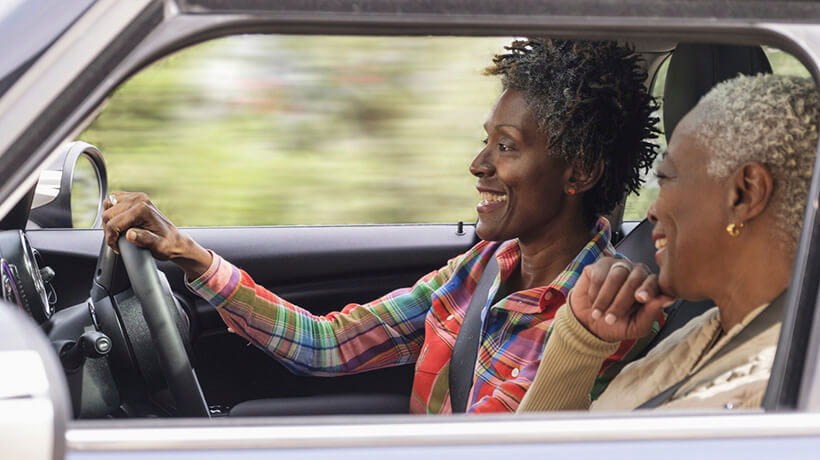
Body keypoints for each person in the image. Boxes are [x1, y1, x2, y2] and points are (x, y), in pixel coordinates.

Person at [102, 39, 660, 414]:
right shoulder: (483, 267)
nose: (478, 163)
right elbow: (330, 344)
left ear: (579, 172)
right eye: (486, 139)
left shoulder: (601, 315)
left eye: (506, 147)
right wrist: (189, 254)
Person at [517, 73, 818, 412]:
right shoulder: (703, 335)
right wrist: (581, 340)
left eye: (667, 178)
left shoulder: (779, 391)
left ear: (744, 194)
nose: (652, 211)